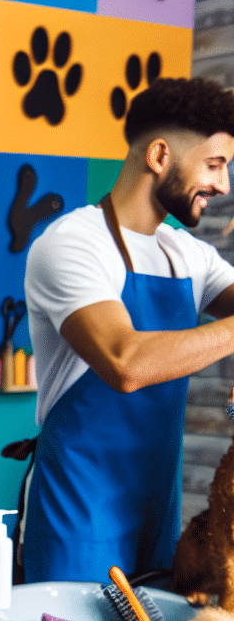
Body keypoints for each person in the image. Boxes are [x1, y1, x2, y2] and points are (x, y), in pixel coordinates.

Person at [23, 77, 234, 584]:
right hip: (79, 509)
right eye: (214, 165)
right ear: (160, 156)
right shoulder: (72, 243)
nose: (224, 186)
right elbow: (125, 361)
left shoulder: (187, 253)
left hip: (156, 505)